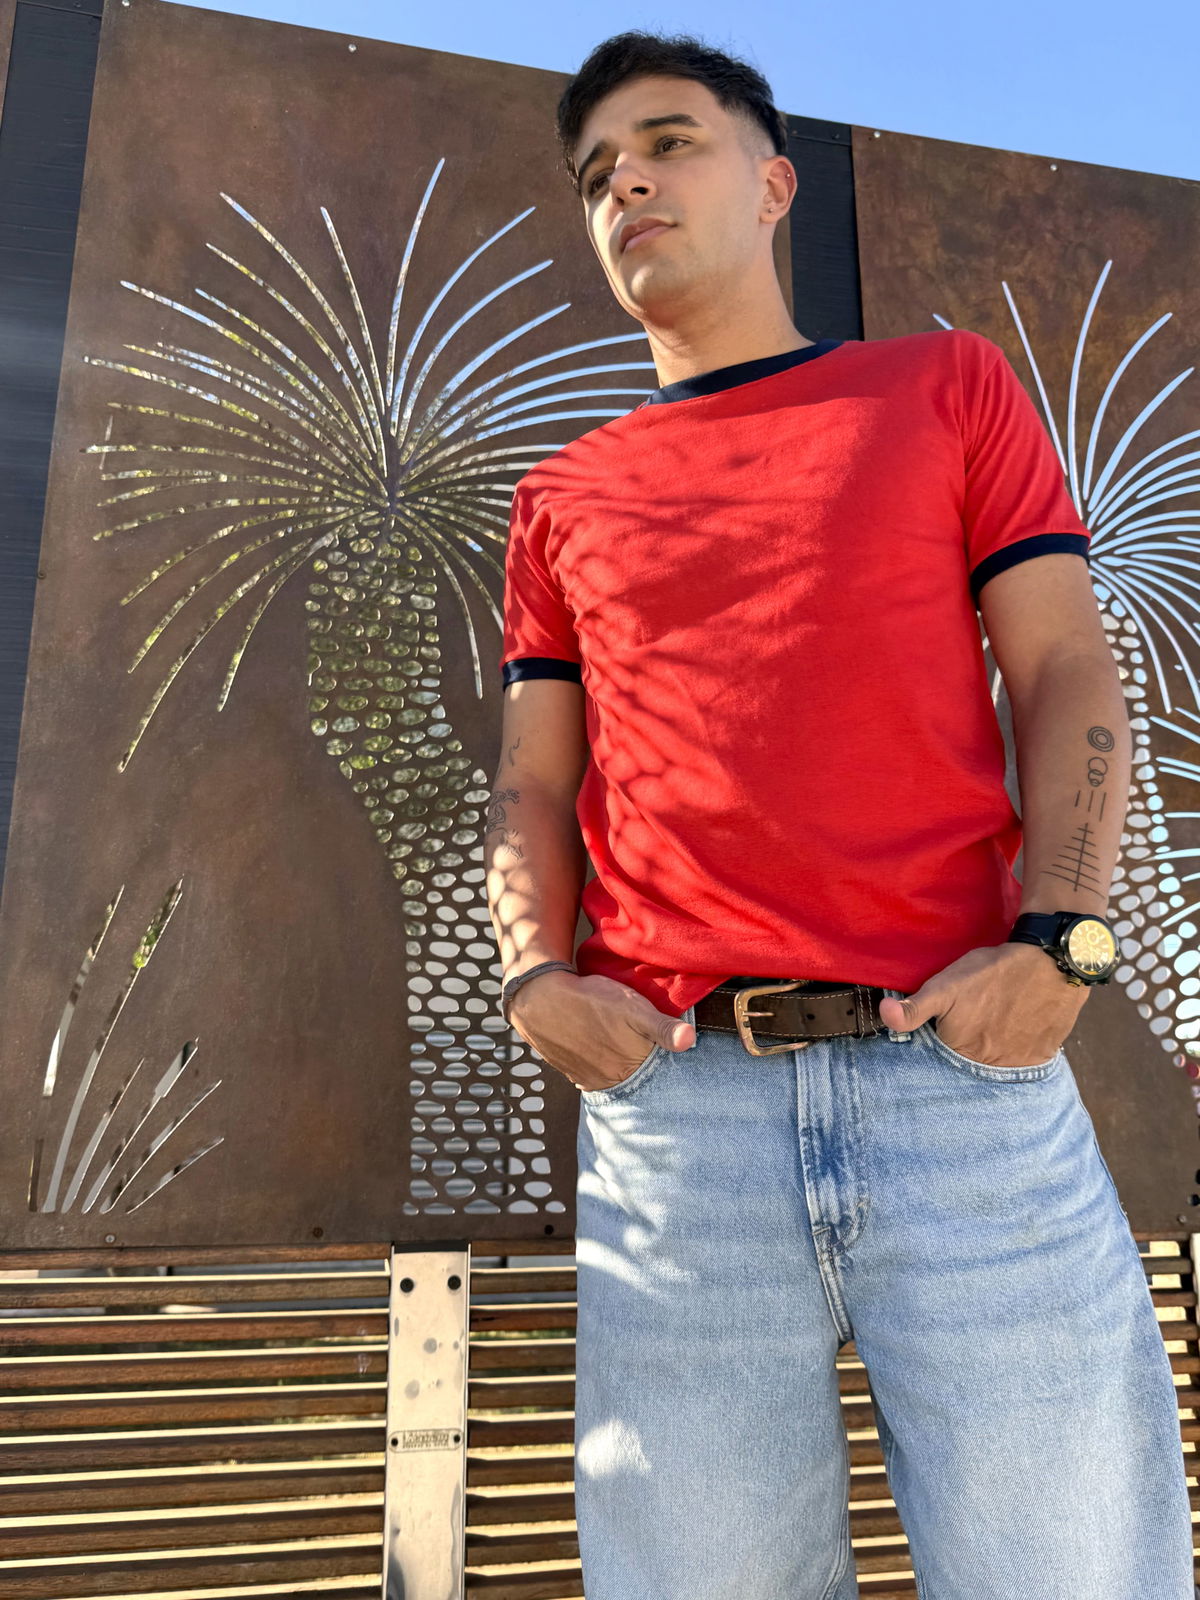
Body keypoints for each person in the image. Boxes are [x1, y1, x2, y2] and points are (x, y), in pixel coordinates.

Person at [484, 29, 1194, 1600]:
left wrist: (1064, 946)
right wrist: (537, 981)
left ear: (773, 183)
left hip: (964, 1079)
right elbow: (531, 778)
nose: (626, 185)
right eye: (597, 174)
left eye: (668, 142)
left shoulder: (943, 386)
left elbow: (1065, 667)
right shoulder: (561, 498)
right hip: (681, 1118)